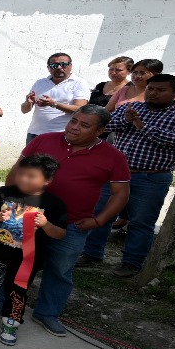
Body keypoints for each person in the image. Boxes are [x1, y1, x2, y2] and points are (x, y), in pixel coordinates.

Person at [22, 106, 130, 336]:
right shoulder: (44, 140)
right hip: (31, 218)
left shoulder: (113, 156)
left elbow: (120, 193)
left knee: (60, 270)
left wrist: (99, 221)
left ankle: (46, 313)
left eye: (84, 125)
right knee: (19, 263)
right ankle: (4, 303)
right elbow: (18, 171)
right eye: (74, 121)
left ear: (100, 131)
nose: (74, 128)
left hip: (72, 225)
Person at [83, 74, 175, 277]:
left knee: (141, 222)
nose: (153, 93)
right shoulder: (132, 108)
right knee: (101, 214)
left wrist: (141, 125)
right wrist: (127, 120)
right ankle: (91, 253)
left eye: (161, 90)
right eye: (151, 89)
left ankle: (131, 263)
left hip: (150, 178)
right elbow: (106, 128)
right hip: (115, 175)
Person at [0, 154, 68, 346]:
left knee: (18, 291)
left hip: (27, 260)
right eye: (21, 174)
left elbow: (59, 233)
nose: (24, 179)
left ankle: (11, 322)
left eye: (31, 176)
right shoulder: (3, 192)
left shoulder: (53, 204)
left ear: (47, 180)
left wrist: (46, 224)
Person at [21, 52, 90, 142]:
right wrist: (28, 103)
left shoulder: (78, 83)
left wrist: (53, 104)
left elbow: (80, 109)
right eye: (54, 65)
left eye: (63, 64)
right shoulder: (40, 83)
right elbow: (24, 110)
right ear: (48, 68)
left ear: (70, 66)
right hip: (35, 134)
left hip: (62, 134)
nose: (59, 68)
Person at [103, 58, 175, 111]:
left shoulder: (169, 94)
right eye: (134, 72)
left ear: (155, 74)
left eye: (142, 73)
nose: (137, 76)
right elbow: (106, 112)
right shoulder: (123, 90)